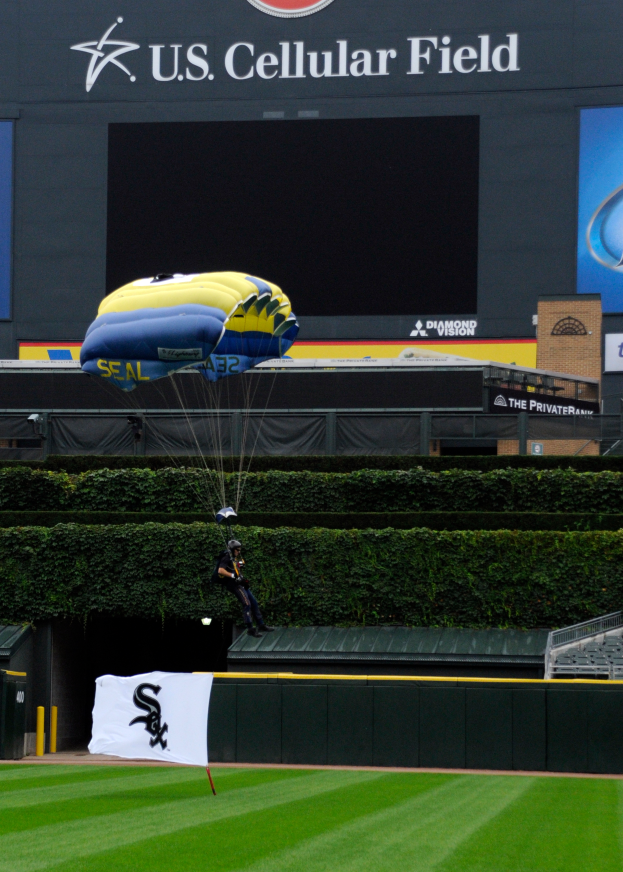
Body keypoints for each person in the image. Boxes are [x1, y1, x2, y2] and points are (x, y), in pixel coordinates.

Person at [218, 539, 274, 637]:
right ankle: (250, 629)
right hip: (235, 585)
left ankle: (261, 624)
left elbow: (234, 566)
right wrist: (232, 575)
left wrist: (240, 564)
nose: (239, 552)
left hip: (241, 583)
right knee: (247, 604)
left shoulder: (233, 557)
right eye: (237, 550)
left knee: (254, 603)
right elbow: (220, 570)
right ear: (232, 549)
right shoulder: (226, 558)